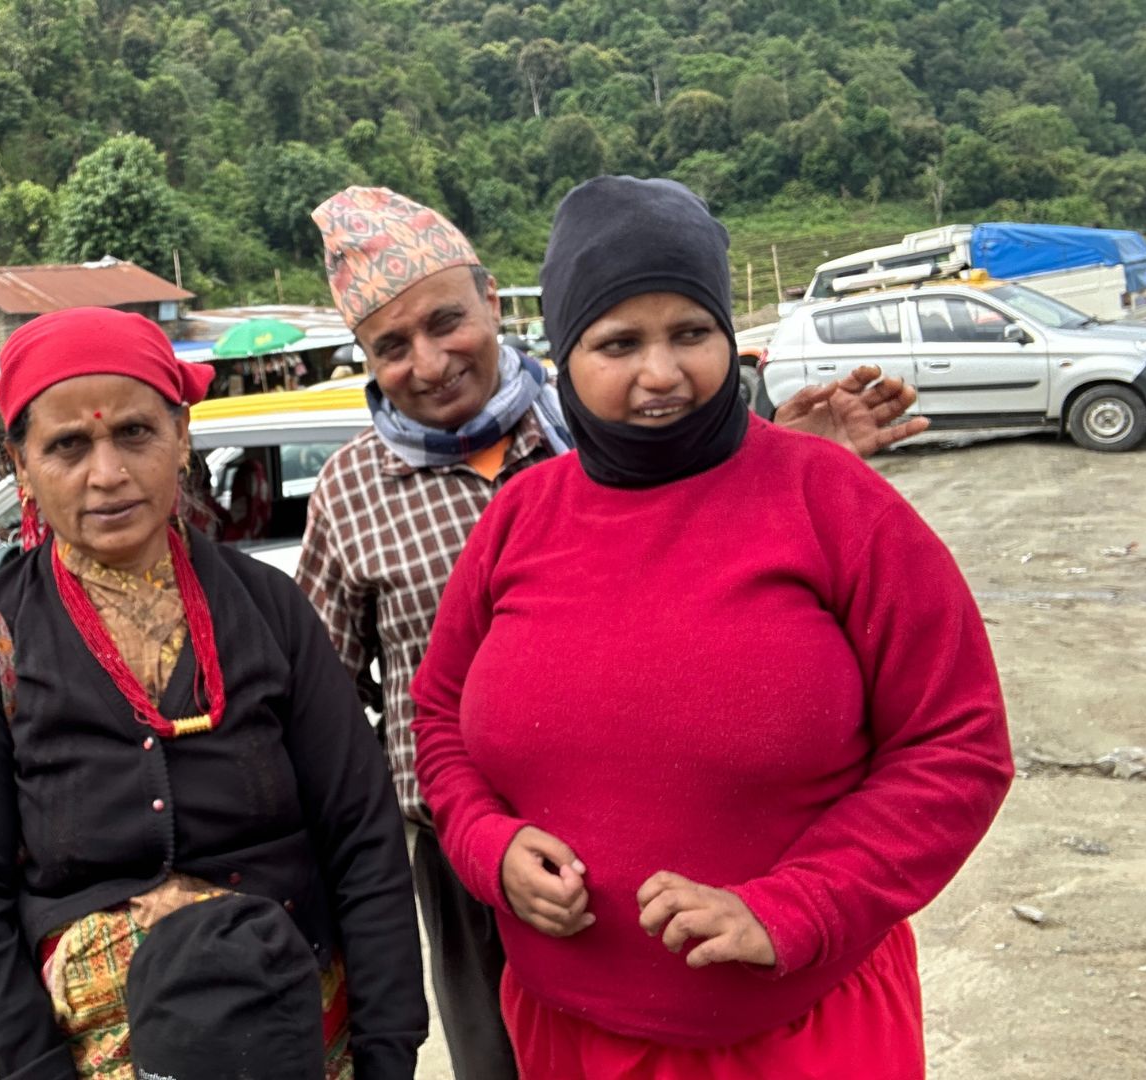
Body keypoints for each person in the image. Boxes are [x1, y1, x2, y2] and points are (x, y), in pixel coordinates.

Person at [295, 186, 932, 1079]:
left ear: (493, 302)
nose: (431, 362)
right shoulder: (371, 491)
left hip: (786, 1008)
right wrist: (472, 840)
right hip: (477, 865)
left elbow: (701, 503)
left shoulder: (588, 431)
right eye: (391, 346)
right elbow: (342, 698)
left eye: (447, 321)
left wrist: (786, 451)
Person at [0, 306, 427, 1080]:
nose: (108, 474)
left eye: (135, 433)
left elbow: (362, 835)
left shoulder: (268, 610)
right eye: (67, 446)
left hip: (299, 1029)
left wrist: (387, 1052)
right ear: (20, 465)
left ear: (181, 436)